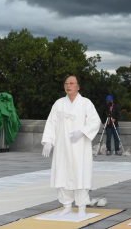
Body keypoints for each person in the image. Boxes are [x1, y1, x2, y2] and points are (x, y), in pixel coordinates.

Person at [41, 75, 101, 217]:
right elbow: (51, 123)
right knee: (62, 173)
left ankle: (81, 207)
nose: (68, 86)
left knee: (81, 174)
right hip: (62, 146)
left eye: (72, 83)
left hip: (79, 146)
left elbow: (95, 121)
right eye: (66, 83)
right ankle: (66, 205)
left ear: (78, 86)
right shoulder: (59, 103)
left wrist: (82, 131)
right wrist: (49, 141)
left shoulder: (86, 103)